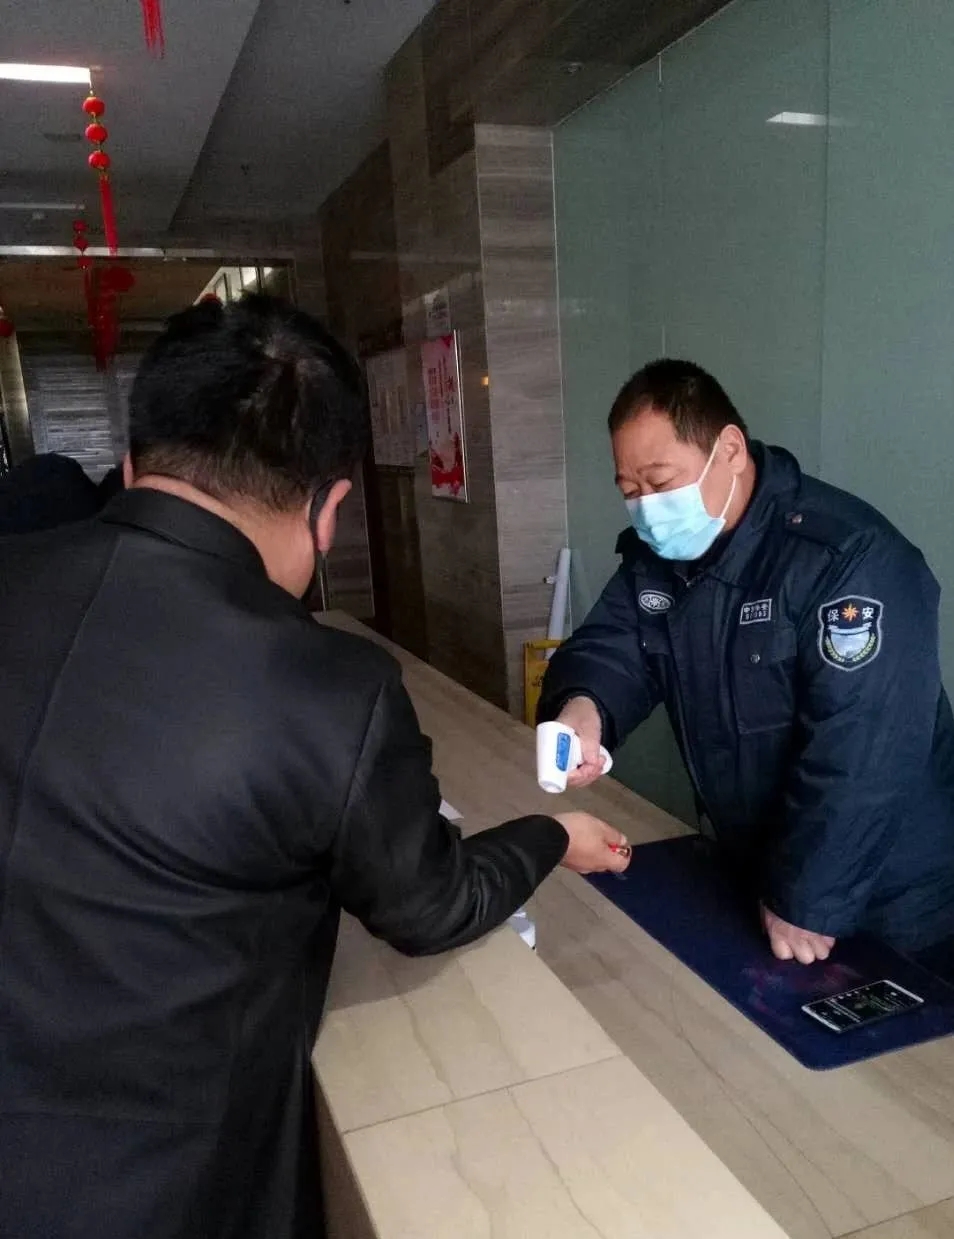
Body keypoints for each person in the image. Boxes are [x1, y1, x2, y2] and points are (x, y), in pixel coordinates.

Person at [0, 295, 630, 1239]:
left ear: (131, 464)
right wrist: (553, 834)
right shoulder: (325, 683)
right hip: (166, 1188)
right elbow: (429, 905)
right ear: (328, 510)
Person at [539, 358, 954, 973]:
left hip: (895, 899)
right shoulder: (663, 556)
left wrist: (807, 898)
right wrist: (584, 708)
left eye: (660, 481)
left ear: (729, 450)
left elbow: (866, 748)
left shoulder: (848, 558)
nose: (648, 508)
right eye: (630, 491)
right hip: (764, 875)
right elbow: (615, 644)